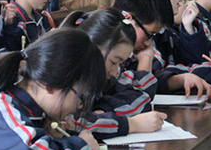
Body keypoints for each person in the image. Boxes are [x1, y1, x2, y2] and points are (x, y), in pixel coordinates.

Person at [60, 8, 167, 139]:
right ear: (92, 48)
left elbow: (140, 95)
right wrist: (132, 124)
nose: (116, 71)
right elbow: (72, 124)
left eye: (120, 64)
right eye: (114, 62)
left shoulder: (101, 76)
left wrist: (105, 109)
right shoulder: (65, 78)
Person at [113, 0, 211, 98]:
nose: (148, 43)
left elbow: (152, 79)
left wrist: (182, 79)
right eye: (149, 34)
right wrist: (145, 59)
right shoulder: (104, 49)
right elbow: (137, 98)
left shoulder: (135, 45)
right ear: (127, 18)